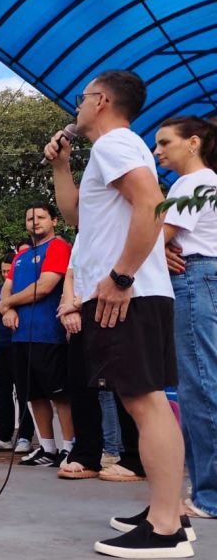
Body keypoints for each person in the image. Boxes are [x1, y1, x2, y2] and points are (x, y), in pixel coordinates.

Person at [45, 69, 188, 557]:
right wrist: (61, 167)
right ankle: (165, 512)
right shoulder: (110, 152)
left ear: (101, 100)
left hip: (129, 294)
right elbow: (78, 219)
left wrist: (122, 276)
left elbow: (152, 203)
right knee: (143, 402)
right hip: (131, 294)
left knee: (146, 404)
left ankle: (166, 529)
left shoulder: (115, 144)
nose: (78, 107)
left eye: (82, 98)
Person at [155, 116, 217, 520]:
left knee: (201, 386)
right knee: (199, 383)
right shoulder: (204, 181)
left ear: (193, 142)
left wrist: (156, 247)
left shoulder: (192, 182)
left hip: (194, 277)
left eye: (165, 142)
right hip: (200, 276)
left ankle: (210, 497)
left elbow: (156, 235)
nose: (157, 151)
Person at [0, 203, 75, 466]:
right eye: (30, 218)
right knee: (33, 395)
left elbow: (44, 287)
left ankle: (69, 448)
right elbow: (6, 288)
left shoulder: (58, 247)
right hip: (20, 336)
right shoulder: (20, 256)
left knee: (60, 395)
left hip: (49, 334)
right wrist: (7, 308)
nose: (35, 222)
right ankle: (47, 448)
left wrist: (8, 304)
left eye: (41, 217)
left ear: (54, 220)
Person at [0, 252, 36, 453]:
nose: (6, 275)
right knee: (2, 391)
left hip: (19, 343)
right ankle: (4, 436)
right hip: (1, 344)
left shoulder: (24, 289)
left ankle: (25, 436)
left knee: (23, 392)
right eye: (3, 271)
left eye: (9, 271)